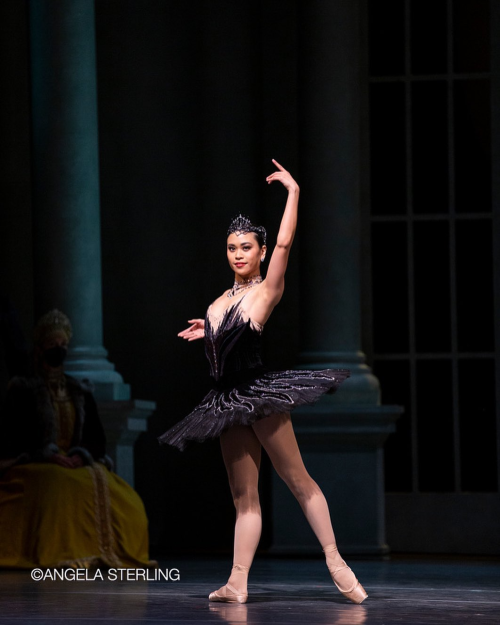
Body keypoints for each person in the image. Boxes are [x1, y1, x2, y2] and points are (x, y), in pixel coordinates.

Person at [159, 160, 367, 604]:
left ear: (260, 251)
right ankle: (237, 582)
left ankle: (335, 561)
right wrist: (209, 331)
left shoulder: (264, 290)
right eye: (232, 247)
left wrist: (293, 191)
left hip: (257, 395)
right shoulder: (218, 301)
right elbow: (221, 347)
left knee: (297, 480)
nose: (238, 253)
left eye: (247, 247)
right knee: (243, 495)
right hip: (224, 401)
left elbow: (287, 243)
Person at [0, 309, 154, 569]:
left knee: (126, 500)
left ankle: (107, 554)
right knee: (55, 486)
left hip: (74, 462)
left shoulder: (78, 390)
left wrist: (78, 454)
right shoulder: (24, 390)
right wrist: (48, 454)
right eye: (52, 345)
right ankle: (63, 555)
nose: (58, 350)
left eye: (63, 345)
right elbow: (16, 437)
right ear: (40, 349)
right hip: (37, 464)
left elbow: (96, 437)